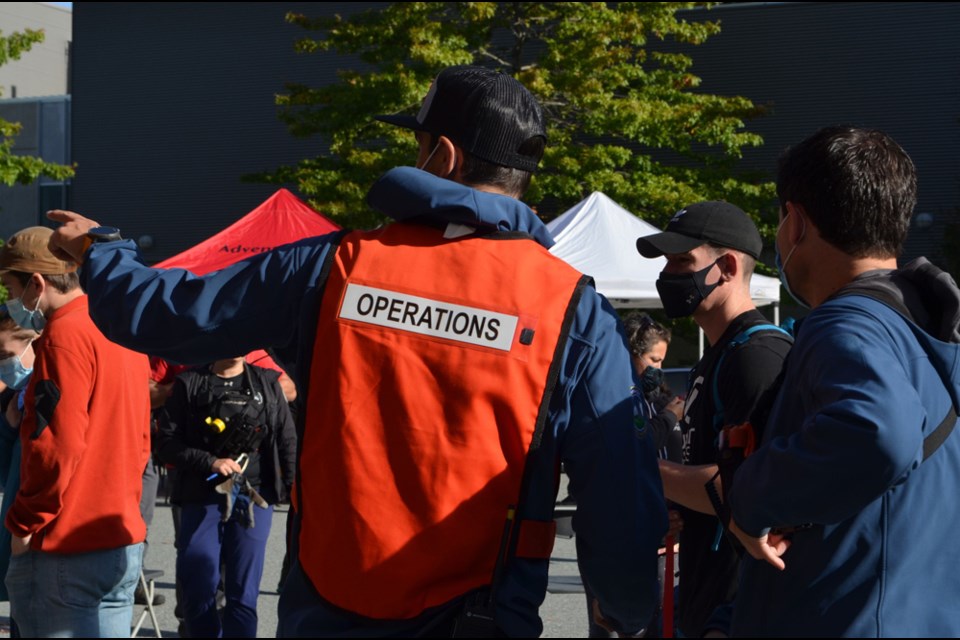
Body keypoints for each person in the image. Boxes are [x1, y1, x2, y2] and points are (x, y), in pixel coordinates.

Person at [45, 65, 667, 637]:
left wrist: (99, 251)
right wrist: (624, 607)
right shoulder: (573, 309)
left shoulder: (332, 267)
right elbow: (619, 490)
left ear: (441, 157)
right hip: (482, 614)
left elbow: (165, 315)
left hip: (331, 605)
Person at [726, 126, 960, 636]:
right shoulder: (923, 329)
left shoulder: (846, 322)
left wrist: (751, 497)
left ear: (796, 223)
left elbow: (878, 434)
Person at [636, 201, 792, 637]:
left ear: (725, 266)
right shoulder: (716, 359)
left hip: (738, 608)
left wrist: (645, 467)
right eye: (667, 261)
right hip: (702, 599)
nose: (668, 274)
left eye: (683, 260)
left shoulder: (757, 357)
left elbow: (745, 488)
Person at [0, 226, 151, 637]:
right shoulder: (120, 326)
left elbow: (55, 445)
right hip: (120, 536)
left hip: (66, 542)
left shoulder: (63, 336)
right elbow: (141, 442)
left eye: (11, 289)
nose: (12, 302)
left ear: (37, 283)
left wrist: (24, 521)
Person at [157, 355, 296, 638]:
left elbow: (287, 442)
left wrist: (297, 493)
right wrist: (209, 461)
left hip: (254, 498)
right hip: (200, 497)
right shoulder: (189, 383)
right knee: (196, 587)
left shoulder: (267, 384)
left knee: (243, 594)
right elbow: (167, 444)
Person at [0, 310, 39, 637]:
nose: (3, 365)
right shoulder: (17, 397)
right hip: (18, 535)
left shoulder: (45, 395)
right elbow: (5, 475)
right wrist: (8, 428)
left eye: (5, 355)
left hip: (37, 538)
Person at [623, 312, 684, 463]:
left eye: (661, 361)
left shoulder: (659, 396)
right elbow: (639, 441)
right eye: (655, 360)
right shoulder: (618, 396)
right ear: (632, 355)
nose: (659, 368)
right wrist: (670, 416)